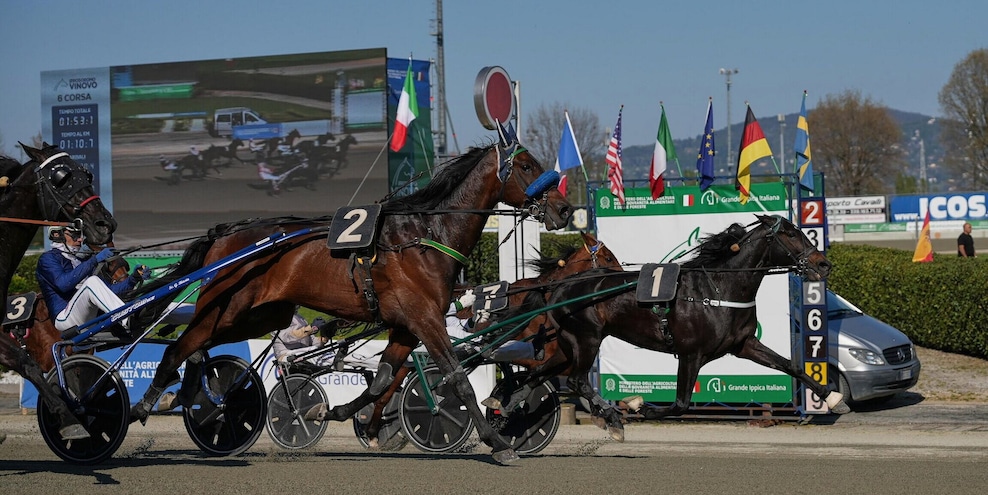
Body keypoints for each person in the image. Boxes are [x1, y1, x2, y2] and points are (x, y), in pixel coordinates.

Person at [36, 226, 149, 335]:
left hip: (88, 316)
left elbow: (109, 292)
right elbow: (63, 284)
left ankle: (130, 316)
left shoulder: (80, 261)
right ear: (57, 235)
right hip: (63, 318)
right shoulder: (47, 259)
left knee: (93, 282)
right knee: (91, 282)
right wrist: (94, 261)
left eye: (81, 235)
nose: (80, 239)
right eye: (75, 235)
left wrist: (133, 279)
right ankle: (126, 318)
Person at [445, 290, 535, 362]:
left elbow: (453, 323)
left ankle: (532, 349)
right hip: (433, 339)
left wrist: (472, 321)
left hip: (441, 336)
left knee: (481, 342)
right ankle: (532, 350)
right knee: (483, 345)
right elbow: (431, 314)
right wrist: (459, 305)